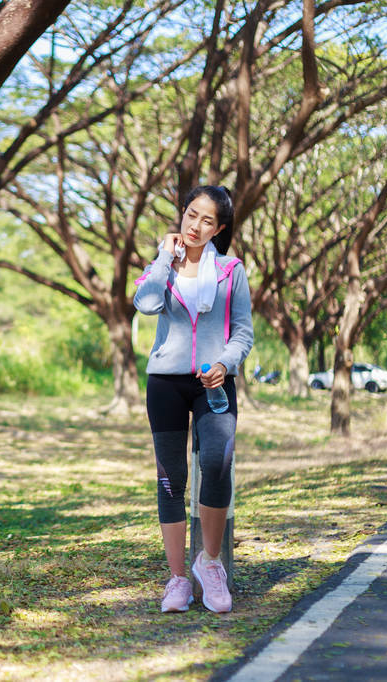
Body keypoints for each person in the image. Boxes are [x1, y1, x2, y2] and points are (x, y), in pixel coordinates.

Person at [133, 185, 254, 613]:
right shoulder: (162, 265)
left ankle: (210, 563)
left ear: (219, 228)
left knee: (217, 466)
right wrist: (165, 258)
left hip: (214, 383)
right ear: (182, 216)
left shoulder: (231, 270)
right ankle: (177, 580)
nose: (196, 225)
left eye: (207, 220)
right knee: (171, 477)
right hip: (165, 382)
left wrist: (225, 361)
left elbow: (243, 330)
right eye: (191, 215)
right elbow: (145, 304)